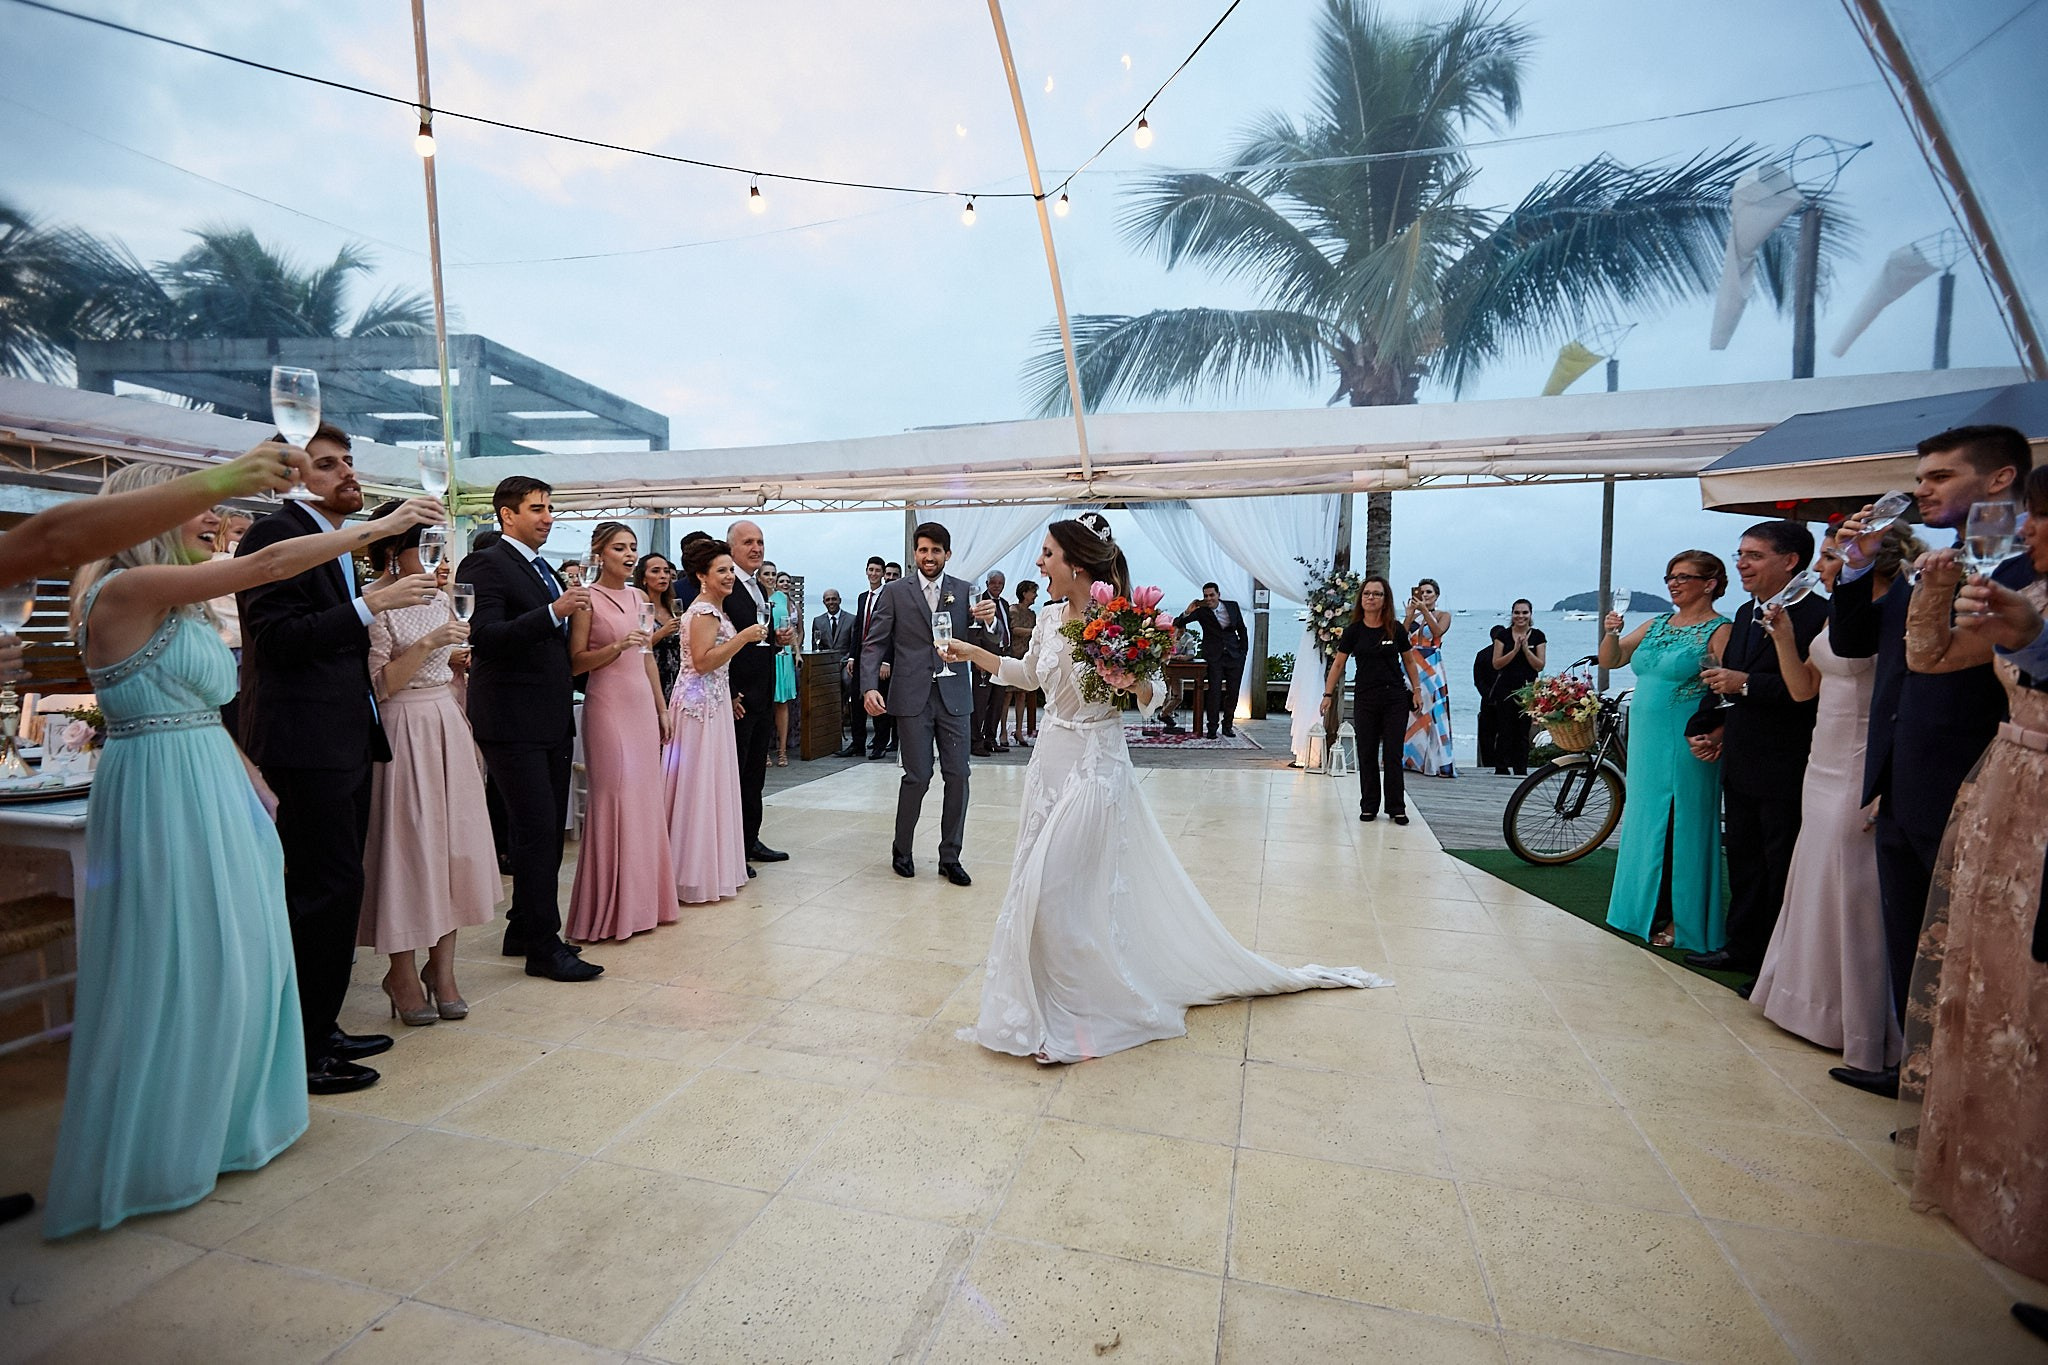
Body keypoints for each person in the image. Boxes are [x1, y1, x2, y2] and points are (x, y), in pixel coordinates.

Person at [45, 462, 441, 1238]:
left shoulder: (173, 602)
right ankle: (168, 1138)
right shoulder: (124, 593)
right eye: (200, 509)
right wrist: (383, 528)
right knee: (177, 955)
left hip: (211, 777)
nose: (217, 522)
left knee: (236, 951)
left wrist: (248, 774)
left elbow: (195, 703)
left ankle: (230, 1112)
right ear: (148, 514)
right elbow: (264, 568)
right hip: (159, 790)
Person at [940, 512, 1389, 1063]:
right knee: (1039, 890)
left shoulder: (1124, 621)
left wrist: (1132, 677)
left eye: (1047, 554)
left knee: (1056, 889)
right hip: (1050, 762)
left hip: (1097, 766)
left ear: (1075, 563)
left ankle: (1084, 1018)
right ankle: (1048, 1008)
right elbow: (1029, 675)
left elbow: (1156, 695)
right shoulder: (1053, 617)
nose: (1039, 563)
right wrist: (972, 653)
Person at [236, 423, 444, 1094]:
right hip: (304, 741)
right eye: (328, 465)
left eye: (348, 462)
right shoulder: (273, 537)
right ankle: (299, 1047)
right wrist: (370, 605)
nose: (347, 473)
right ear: (292, 476)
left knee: (338, 889)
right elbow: (278, 640)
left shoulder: (330, 545)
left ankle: (322, 1026)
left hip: (342, 736)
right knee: (317, 892)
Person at [1828, 423, 2033, 1096]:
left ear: (2000, 479)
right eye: (1919, 479)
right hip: (1902, 769)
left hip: (1978, 775)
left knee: (1967, 941)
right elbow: (1857, 642)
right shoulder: (1933, 563)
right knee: (1911, 934)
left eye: (1938, 476)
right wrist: (1855, 567)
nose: (1921, 490)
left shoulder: (2028, 568)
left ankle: (1961, 1089)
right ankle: (1917, 1070)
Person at [1894, 469, 2048, 1282]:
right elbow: (1926, 656)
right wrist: (1939, 581)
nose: (2031, 533)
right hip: (2003, 791)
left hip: (2034, 795)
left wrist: (2030, 635)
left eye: (2040, 519)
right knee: (1985, 985)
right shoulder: (2018, 590)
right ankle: (1990, 1173)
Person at [1750, 526, 1919, 1072]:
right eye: (1826, 558)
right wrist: (1779, 636)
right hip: (1820, 763)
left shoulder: (1897, 615)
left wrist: (1885, 782)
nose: (1822, 568)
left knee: (1853, 892)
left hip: (1859, 764)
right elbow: (1804, 690)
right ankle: (1801, 1002)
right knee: (1814, 880)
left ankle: (1862, 1027)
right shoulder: (1836, 618)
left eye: (1830, 558)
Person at [457, 476, 603, 983]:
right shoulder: (485, 563)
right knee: (540, 831)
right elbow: (487, 637)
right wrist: (553, 611)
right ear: (506, 515)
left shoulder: (541, 568)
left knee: (536, 831)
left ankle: (522, 927)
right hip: (511, 718)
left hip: (548, 716)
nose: (548, 516)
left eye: (550, 508)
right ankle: (544, 946)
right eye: (537, 508)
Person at [357, 504, 496, 1025]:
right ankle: (400, 971)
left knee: (453, 848)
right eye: (429, 547)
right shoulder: (375, 605)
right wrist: (433, 642)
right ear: (394, 551)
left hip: (445, 719)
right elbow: (380, 684)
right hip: (401, 727)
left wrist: (456, 656)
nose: (441, 562)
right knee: (408, 850)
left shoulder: (445, 599)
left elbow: (449, 665)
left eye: (444, 549)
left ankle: (444, 971)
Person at [1686, 521, 1829, 977]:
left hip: (1789, 759)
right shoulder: (1747, 612)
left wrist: (1746, 684)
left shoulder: (1819, 616)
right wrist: (1714, 728)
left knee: (1781, 866)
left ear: (1790, 561)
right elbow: (1729, 681)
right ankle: (1742, 948)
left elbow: (1813, 691)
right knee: (1745, 860)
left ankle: (1778, 967)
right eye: (1740, 554)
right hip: (1743, 757)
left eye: (1754, 555)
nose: (1742, 564)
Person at [1599, 551, 1733, 952]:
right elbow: (1614, 659)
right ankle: (1635, 909)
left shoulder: (1719, 629)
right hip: (1645, 738)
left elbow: (1726, 689)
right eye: (1670, 577)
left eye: (1683, 577)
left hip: (1688, 739)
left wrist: (1721, 732)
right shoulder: (1656, 623)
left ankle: (1684, 919)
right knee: (1645, 820)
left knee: (1684, 824)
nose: (1673, 584)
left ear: (1709, 584)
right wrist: (1610, 631)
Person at [564, 522, 678, 943]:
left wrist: (661, 709)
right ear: (599, 554)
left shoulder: (639, 597)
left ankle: (649, 904)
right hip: (607, 706)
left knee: (645, 801)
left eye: (633, 548)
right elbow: (575, 663)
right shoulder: (585, 600)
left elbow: (647, 657)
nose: (629, 555)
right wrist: (616, 647)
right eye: (619, 548)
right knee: (613, 799)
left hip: (640, 707)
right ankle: (609, 910)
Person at [861, 521, 990, 885]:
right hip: (912, 696)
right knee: (917, 777)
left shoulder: (964, 592)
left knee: (959, 776)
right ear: (914, 553)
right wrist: (870, 686)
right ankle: (902, 848)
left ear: (947, 554)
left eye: (935, 550)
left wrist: (990, 622)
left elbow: (981, 641)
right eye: (922, 550)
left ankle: (950, 857)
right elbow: (874, 642)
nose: (928, 556)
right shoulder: (894, 592)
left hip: (954, 698)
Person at [666, 537, 768, 903]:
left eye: (729, 570)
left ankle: (710, 865)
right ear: (702, 576)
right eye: (721, 571)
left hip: (716, 702)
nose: (728, 576)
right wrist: (742, 638)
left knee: (714, 784)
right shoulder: (705, 612)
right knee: (699, 785)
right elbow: (703, 661)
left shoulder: (714, 609)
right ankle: (690, 871)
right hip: (699, 708)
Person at [1320, 577, 1426, 824]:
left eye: (1377, 594)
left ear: (1384, 599)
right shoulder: (1353, 631)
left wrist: (1418, 690)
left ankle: (1396, 807)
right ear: (1361, 599)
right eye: (1367, 593)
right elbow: (1338, 664)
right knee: (1366, 753)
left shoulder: (1395, 629)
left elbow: (1409, 661)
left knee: (1392, 753)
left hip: (1394, 698)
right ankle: (1369, 806)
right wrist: (1327, 695)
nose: (1371, 598)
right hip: (1365, 698)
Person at [723, 522, 795, 865]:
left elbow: (756, 638)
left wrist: (775, 641)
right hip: (737, 700)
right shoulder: (727, 585)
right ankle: (732, 848)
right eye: (748, 542)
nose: (756, 548)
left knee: (754, 776)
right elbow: (718, 643)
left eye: (761, 542)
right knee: (734, 777)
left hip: (763, 696)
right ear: (731, 547)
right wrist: (730, 691)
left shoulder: (761, 590)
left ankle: (750, 840)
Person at [1175, 582, 1248, 738]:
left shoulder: (1232, 606)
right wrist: (1188, 612)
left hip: (1234, 656)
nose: (1209, 599)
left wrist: (1243, 652)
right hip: (1215, 657)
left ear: (1218, 595)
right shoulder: (1202, 612)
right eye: (1206, 596)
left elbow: (1242, 629)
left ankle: (1227, 726)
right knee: (1214, 692)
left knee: (1233, 693)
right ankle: (1212, 728)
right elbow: (1178, 623)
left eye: (1211, 595)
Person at [1401, 578, 1456, 776]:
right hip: (1411, 663)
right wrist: (1409, 615)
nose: (1425, 595)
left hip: (1432, 663)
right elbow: (1401, 635)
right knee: (1411, 710)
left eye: (1429, 592)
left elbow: (1437, 632)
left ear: (1436, 595)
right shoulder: (1413, 615)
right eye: (1421, 592)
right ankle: (1410, 758)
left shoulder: (1444, 615)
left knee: (1433, 710)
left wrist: (1424, 611)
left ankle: (1435, 761)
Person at [1484, 600, 1545, 775]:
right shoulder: (1503, 635)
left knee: (1523, 731)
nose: (1520, 616)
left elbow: (1539, 665)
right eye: (1517, 612)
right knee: (1504, 730)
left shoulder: (1538, 636)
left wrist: (1526, 650)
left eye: (1524, 613)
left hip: (1527, 689)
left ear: (1530, 614)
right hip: (1506, 687)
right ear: (1512, 614)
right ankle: (1501, 768)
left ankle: (1521, 769)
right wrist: (1515, 650)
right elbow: (1496, 663)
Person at [845, 556, 896, 759]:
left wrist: (887, 660)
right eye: (871, 570)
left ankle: (880, 745)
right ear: (866, 571)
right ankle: (857, 744)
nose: (874, 574)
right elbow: (858, 629)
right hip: (861, 658)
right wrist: (851, 657)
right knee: (856, 701)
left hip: (880, 659)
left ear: (883, 574)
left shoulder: (889, 596)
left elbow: (893, 631)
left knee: (879, 701)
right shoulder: (861, 597)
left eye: (878, 570)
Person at [631, 552, 684, 702]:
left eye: (666, 571)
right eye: (655, 571)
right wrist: (662, 633)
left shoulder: (672, 606)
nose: (663, 576)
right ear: (643, 578)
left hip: (677, 681)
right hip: (651, 678)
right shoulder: (643, 608)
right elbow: (637, 647)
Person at [972, 570, 1014, 754]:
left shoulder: (1004, 604)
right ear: (987, 583)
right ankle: (975, 742)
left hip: (1002, 659)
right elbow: (974, 632)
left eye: (1000, 583)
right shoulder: (979, 603)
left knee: (997, 703)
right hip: (984, 660)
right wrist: (977, 657)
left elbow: (1007, 631)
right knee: (980, 704)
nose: (997, 586)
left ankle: (990, 739)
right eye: (993, 583)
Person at [761, 561, 797, 766]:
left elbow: (791, 627)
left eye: (773, 573)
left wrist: (795, 650)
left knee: (782, 704)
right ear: (759, 577)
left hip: (783, 655)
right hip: (763, 654)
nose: (771, 577)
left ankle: (782, 751)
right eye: (766, 573)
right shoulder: (755, 599)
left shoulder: (783, 598)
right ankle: (764, 752)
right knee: (765, 705)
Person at [1008, 579, 1040, 745]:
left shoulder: (1032, 614)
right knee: (1007, 695)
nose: (1035, 596)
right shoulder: (1013, 610)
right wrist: (1034, 632)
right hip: (1013, 655)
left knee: (1022, 694)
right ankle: (1003, 734)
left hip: (1025, 656)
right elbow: (1014, 630)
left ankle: (1019, 730)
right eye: (1033, 592)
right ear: (1024, 593)